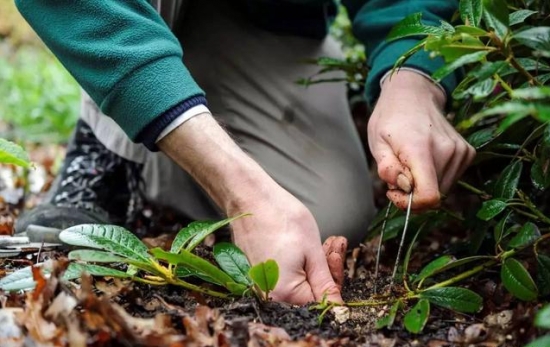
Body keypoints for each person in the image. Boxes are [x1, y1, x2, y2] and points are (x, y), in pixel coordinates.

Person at [14, 0, 475, 305]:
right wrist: (245, 195)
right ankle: (108, 147)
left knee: (327, 221)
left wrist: (412, 77)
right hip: (130, 9)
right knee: (271, 221)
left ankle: (164, 128)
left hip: (265, 21)